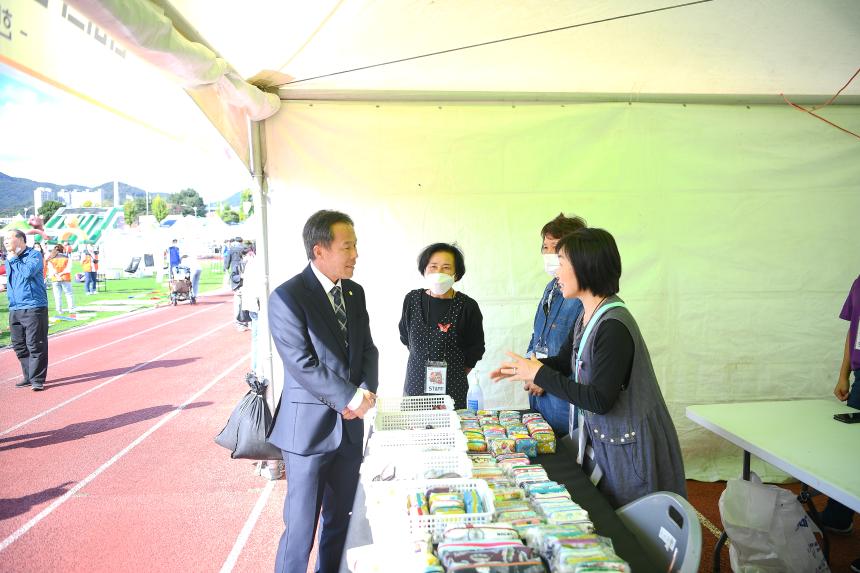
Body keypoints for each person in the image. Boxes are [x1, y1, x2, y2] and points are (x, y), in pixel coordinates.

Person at [491, 227, 686, 508]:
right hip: (612, 441)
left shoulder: (613, 325)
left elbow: (599, 399)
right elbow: (563, 361)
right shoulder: (587, 314)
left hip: (632, 447)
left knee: (636, 522)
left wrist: (539, 374)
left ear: (586, 266)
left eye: (561, 263)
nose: (556, 272)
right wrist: (525, 367)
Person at [267, 210, 378, 573]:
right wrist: (349, 398)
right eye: (348, 246)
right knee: (300, 532)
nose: (355, 254)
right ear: (319, 250)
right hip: (308, 434)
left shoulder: (354, 292)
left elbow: (367, 350)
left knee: (340, 524)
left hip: (349, 429)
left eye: (355, 245)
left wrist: (363, 392)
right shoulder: (287, 297)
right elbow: (302, 363)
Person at [399, 242, 485, 409]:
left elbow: (476, 348)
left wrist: (454, 372)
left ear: (456, 274)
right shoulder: (412, 300)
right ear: (424, 269)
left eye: (446, 267)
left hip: (453, 391)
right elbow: (405, 336)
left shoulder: (467, 306)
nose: (438, 272)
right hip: (415, 388)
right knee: (414, 433)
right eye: (433, 266)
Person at [525, 213, 587, 435]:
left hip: (563, 398)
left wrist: (544, 378)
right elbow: (537, 335)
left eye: (557, 247)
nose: (550, 253)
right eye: (545, 247)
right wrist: (529, 370)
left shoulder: (583, 294)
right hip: (537, 391)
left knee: (564, 459)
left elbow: (580, 355)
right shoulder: (551, 287)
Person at [821, 275, 860, 546]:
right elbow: (853, 332)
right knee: (850, 449)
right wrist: (843, 374)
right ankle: (838, 517)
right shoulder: (859, 283)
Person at [2, 229, 49, 391]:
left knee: (35, 344)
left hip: (33, 306)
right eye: (4, 239)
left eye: (9, 238)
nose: (5, 241)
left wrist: (14, 259)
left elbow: (27, 273)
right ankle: (29, 375)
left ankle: (37, 379)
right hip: (15, 307)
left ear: (21, 239)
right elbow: (14, 280)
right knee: (19, 345)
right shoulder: (9, 259)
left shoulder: (34, 255)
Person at [45, 244, 75, 314]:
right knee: (68, 294)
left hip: (55, 278)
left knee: (57, 295)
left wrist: (57, 275)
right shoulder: (67, 258)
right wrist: (61, 274)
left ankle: (59, 310)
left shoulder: (51, 259)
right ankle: (71, 309)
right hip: (65, 277)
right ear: (62, 250)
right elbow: (68, 269)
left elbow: (51, 269)